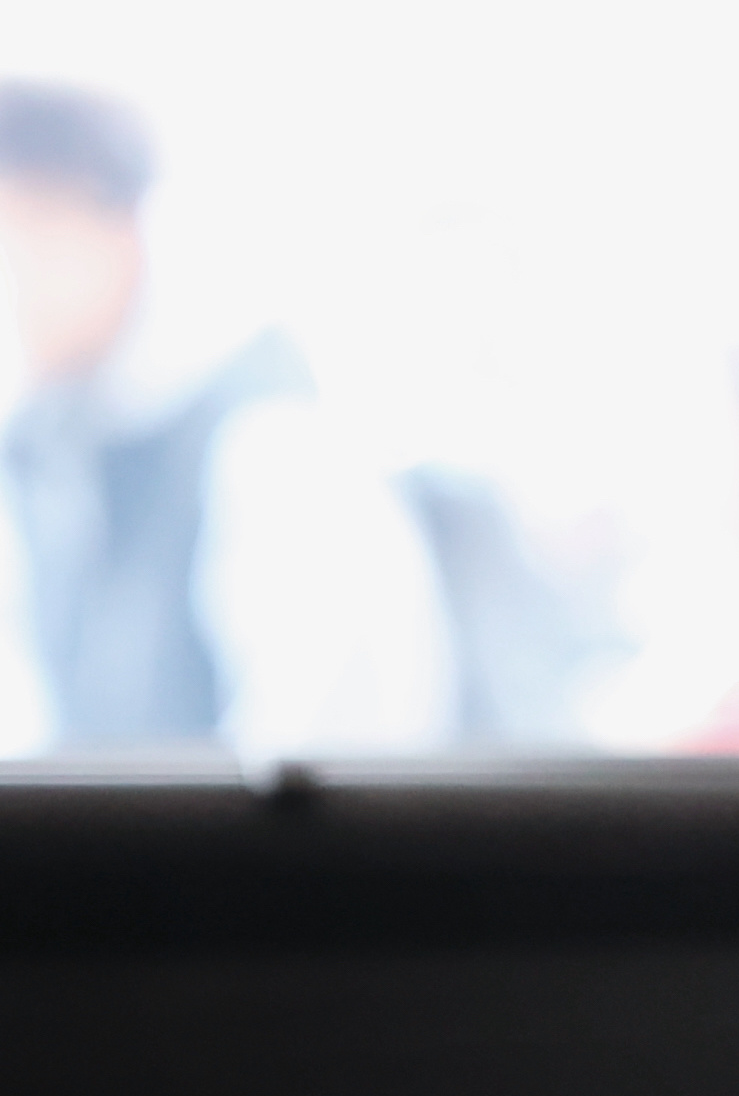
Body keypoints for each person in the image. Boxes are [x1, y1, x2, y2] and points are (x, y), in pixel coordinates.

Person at [0, 81, 457, 759]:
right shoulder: (49, 447)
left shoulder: (266, 445)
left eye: (33, 228)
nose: (13, 275)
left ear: (122, 227)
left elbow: (330, 768)